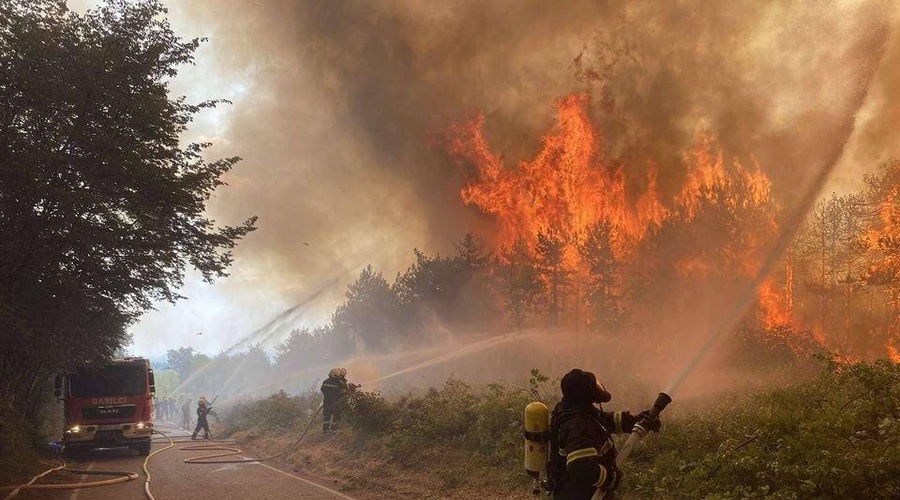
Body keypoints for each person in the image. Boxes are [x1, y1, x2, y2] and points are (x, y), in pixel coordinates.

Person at [549, 369, 660, 500]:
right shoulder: (577, 426)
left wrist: (635, 420)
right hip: (582, 495)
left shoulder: (576, 409)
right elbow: (580, 468)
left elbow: (605, 420)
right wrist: (609, 477)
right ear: (587, 393)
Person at [320, 368, 358, 434]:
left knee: (327, 417)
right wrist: (351, 389)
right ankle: (334, 430)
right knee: (336, 416)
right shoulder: (338, 382)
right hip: (335, 402)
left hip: (326, 402)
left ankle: (325, 431)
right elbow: (342, 392)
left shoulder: (325, 381)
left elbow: (323, 390)